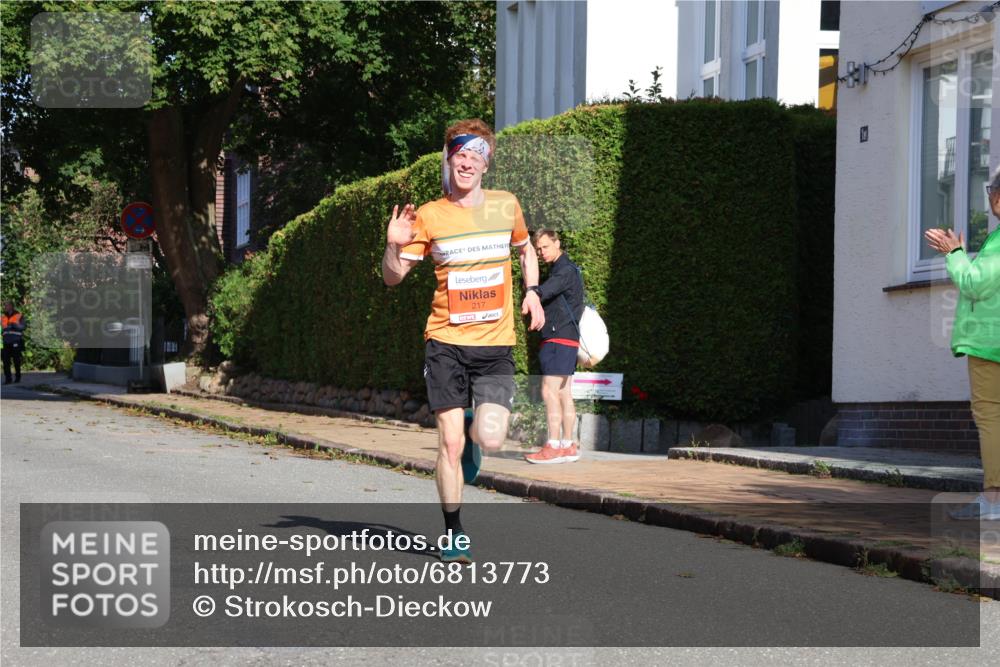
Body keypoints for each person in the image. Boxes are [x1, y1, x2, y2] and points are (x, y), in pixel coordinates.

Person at [381, 119, 544, 562]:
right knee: (449, 444)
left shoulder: (506, 205)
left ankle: (475, 429)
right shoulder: (430, 215)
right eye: (460, 155)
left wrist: (532, 292)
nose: (467, 163)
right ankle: (454, 533)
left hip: (494, 346)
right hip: (446, 343)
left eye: (476, 156)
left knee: (489, 438)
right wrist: (393, 246)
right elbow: (393, 278)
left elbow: (525, 249)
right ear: (449, 161)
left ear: (486, 165)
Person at [925, 166, 1000, 520]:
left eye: (991, 191)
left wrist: (953, 253)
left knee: (990, 416)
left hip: (990, 343)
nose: (990, 198)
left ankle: (994, 500)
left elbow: (974, 284)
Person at [525, 229, 584, 464]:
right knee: (563, 392)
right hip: (568, 338)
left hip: (557, 337)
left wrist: (530, 292)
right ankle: (568, 446)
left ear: (557, 243)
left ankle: (553, 446)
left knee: (549, 391)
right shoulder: (569, 269)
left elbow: (543, 291)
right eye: (538, 249)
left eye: (545, 247)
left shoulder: (564, 270)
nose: (541, 253)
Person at [2, 301, 27, 385]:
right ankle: (8, 379)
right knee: (6, 361)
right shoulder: (3, 317)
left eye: (6, 305)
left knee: (16, 360)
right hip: (6, 342)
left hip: (16, 341)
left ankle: (17, 377)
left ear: (11, 306)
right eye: (4, 306)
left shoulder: (19, 315)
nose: (5, 307)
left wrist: (14, 325)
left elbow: (23, 327)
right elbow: (3, 328)